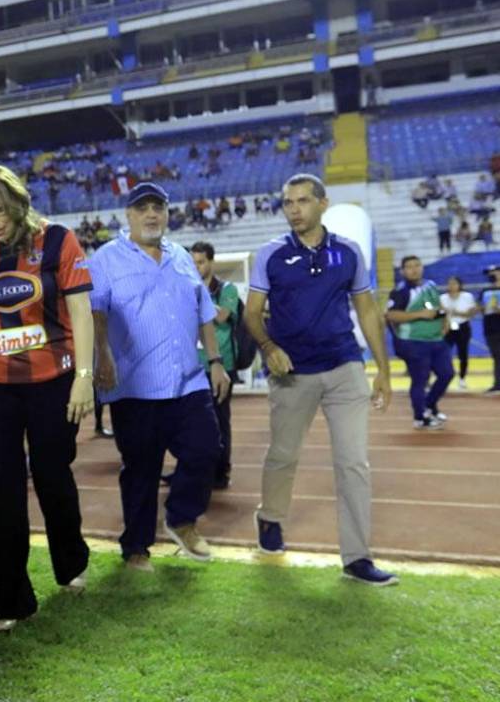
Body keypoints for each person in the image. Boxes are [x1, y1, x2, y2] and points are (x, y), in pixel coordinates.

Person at [0, 165, 95, 632]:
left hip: (54, 380)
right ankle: (11, 600)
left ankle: (70, 561)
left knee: (52, 474)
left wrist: (84, 377)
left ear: (16, 201)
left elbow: (81, 311)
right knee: (4, 487)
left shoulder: (58, 241)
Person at [244, 174, 397, 586]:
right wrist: (268, 347)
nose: (294, 209)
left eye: (302, 201)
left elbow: (366, 310)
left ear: (323, 204)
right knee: (283, 455)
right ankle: (271, 518)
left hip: (346, 367)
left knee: (353, 463)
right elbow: (252, 313)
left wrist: (381, 369)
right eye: (288, 202)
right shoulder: (270, 255)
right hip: (293, 373)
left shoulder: (348, 253)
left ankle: (356, 557)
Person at [90, 182, 231, 572]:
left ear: (168, 214)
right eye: (143, 208)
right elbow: (96, 313)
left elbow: (204, 312)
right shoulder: (105, 259)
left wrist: (216, 361)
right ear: (129, 215)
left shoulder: (182, 256)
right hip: (135, 385)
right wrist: (101, 357)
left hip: (187, 379)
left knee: (206, 450)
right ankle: (136, 547)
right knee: (141, 470)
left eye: (158, 208)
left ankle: (181, 517)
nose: (151, 215)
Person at [190, 241, 239, 490]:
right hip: (195, 366)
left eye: (200, 262)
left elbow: (221, 317)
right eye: (193, 262)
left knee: (221, 421)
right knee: (191, 424)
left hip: (222, 364)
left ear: (211, 262)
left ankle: (222, 471)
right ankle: (190, 470)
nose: (196, 267)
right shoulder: (192, 289)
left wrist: (199, 296)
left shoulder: (228, 289)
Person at [386, 256, 453, 429]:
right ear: (403, 271)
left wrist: (445, 320)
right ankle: (420, 417)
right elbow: (391, 315)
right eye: (409, 267)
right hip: (413, 342)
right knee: (421, 380)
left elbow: (437, 307)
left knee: (446, 374)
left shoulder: (430, 285)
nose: (414, 269)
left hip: (437, 340)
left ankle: (429, 405)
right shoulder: (401, 291)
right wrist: (420, 314)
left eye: (417, 265)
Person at [439, 275, 478, 392]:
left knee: (463, 354)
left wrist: (457, 313)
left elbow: (470, 313)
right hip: (448, 327)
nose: (452, 286)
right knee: (443, 353)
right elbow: (440, 314)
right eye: (450, 283)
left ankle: (462, 379)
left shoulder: (467, 296)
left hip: (462, 327)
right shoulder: (442, 298)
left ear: (459, 285)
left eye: (454, 283)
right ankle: (444, 377)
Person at [483, 265, 500, 392]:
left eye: (495, 272)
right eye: (490, 273)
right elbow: (481, 308)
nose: (492, 274)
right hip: (491, 328)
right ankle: (497, 383)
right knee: (496, 356)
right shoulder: (485, 291)